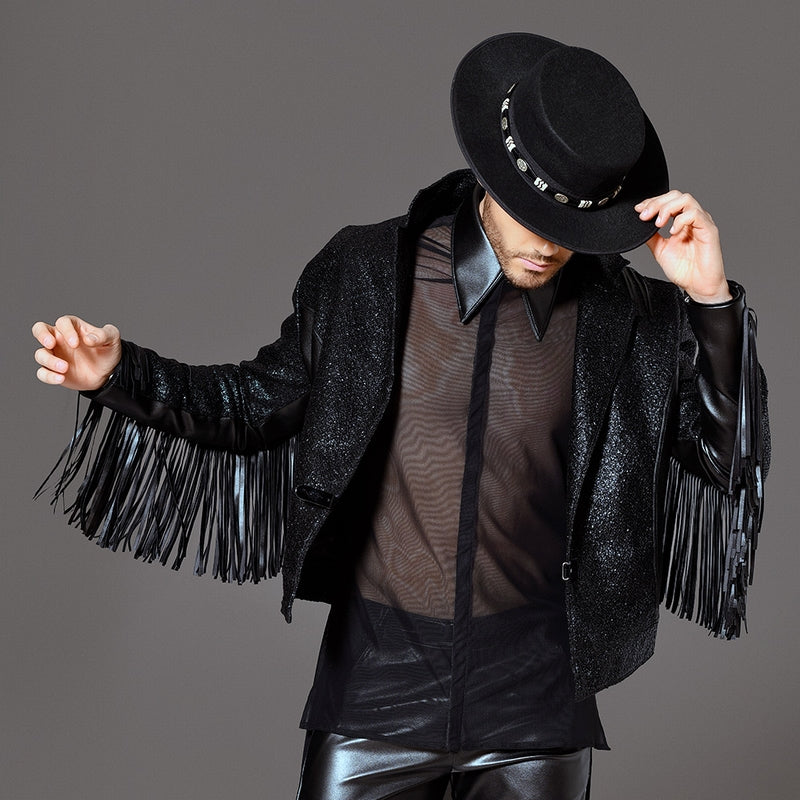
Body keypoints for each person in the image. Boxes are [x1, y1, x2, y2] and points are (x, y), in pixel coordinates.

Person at [31, 33, 768, 800]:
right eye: (533, 213)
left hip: (537, 708)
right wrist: (120, 374)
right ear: (494, 174)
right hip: (375, 691)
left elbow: (729, 459)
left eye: (572, 225)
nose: (550, 244)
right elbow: (254, 406)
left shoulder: (630, 317)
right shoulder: (369, 275)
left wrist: (710, 302)